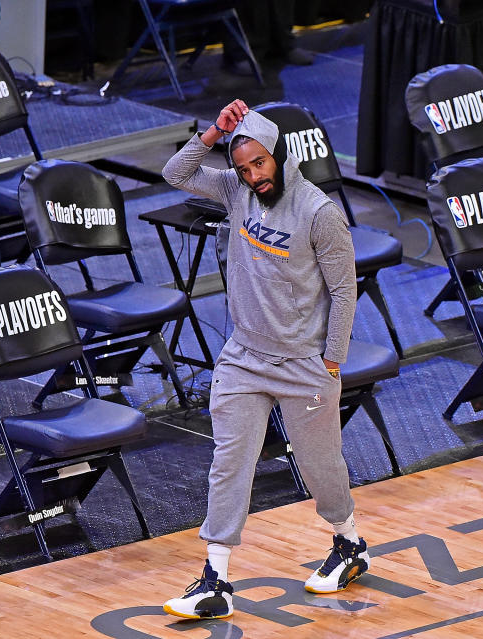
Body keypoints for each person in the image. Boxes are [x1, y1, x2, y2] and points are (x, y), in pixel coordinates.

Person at [160, 99, 367, 619]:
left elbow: (345, 291)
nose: (254, 176)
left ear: (279, 154)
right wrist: (214, 133)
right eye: (244, 167)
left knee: (321, 469)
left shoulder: (319, 212)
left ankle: (349, 542)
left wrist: (332, 362)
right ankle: (216, 579)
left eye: (260, 164)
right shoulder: (234, 191)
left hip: (304, 366)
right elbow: (176, 172)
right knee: (229, 465)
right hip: (243, 358)